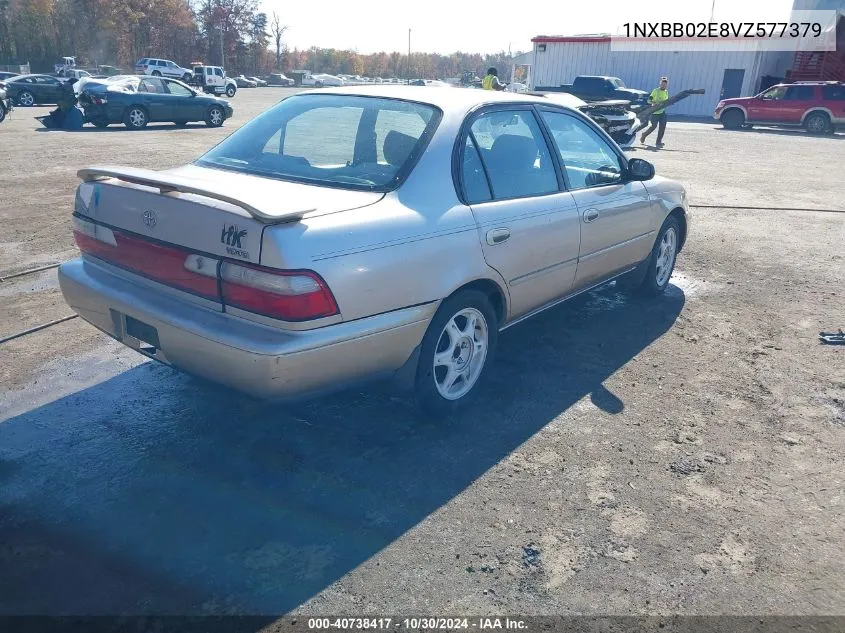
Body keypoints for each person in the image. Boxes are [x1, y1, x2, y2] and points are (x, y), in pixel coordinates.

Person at [640, 76, 670, 147]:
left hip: (662, 112)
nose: (663, 85)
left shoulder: (666, 92)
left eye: (665, 84)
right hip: (655, 112)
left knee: (662, 126)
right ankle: (644, 134)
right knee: (653, 126)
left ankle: (658, 141)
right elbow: (648, 100)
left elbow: (666, 101)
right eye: (662, 84)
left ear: (666, 85)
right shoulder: (655, 91)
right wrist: (654, 102)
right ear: (660, 84)